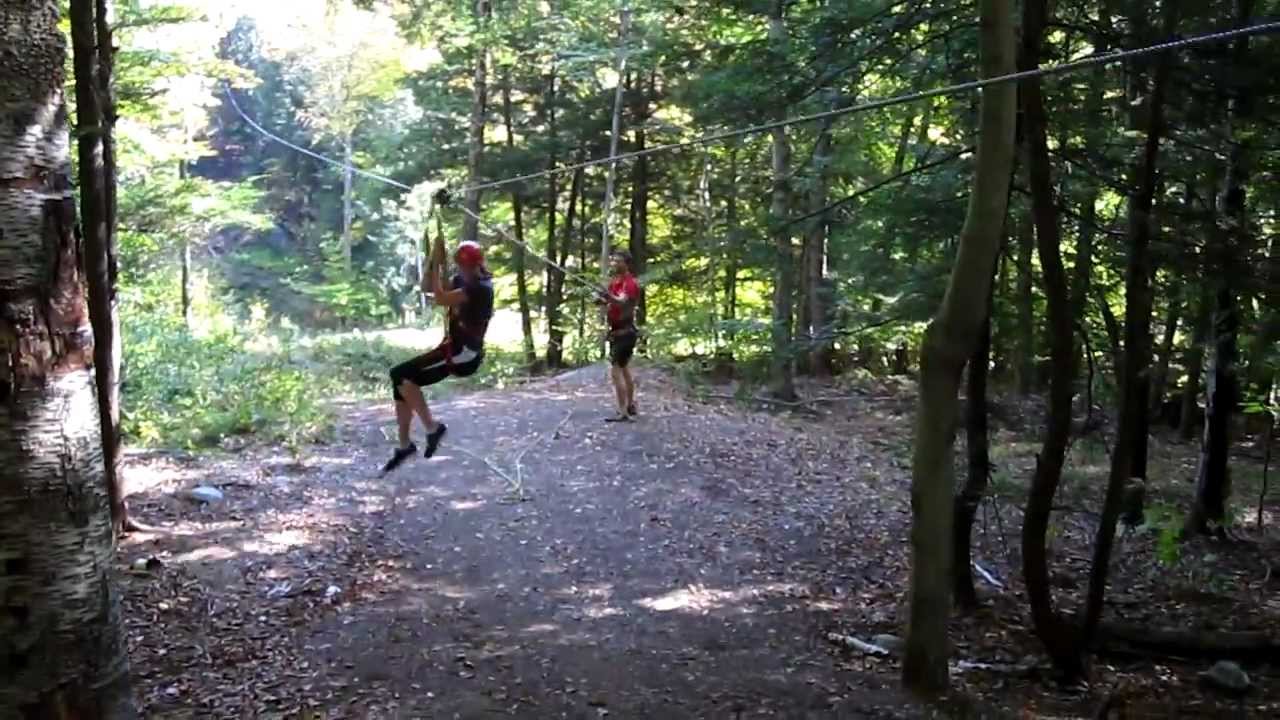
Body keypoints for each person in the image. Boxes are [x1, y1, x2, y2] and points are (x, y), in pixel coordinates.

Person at [382, 235, 494, 474]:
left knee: (401, 375)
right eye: (459, 267)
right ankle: (404, 444)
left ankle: (432, 429)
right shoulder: (463, 281)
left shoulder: (480, 288)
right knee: (400, 380)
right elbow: (428, 289)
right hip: (451, 348)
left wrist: (439, 267)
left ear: (475, 266)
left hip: (464, 354)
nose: (461, 271)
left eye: (464, 267)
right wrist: (435, 259)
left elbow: (442, 298)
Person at [597, 249, 640, 422]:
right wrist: (600, 297)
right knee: (624, 370)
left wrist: (609, 297)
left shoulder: (629, 283)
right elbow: (606, 301)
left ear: (626, 264)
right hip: (617, 332)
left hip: (625, 333)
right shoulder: (615, 282)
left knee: (615, 372)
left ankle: (623, 411)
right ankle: (630, 405)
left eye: (618, 261)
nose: (614, 263)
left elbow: (622, 302)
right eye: (613, 260)